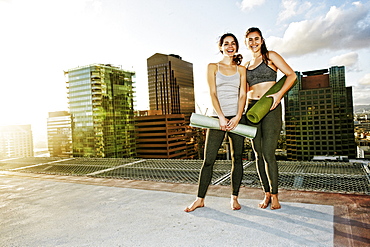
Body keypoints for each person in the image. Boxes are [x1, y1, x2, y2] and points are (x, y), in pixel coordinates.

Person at [184, 33, 247, 212]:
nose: (230, 46)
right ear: (220, 47)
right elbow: (212, 93)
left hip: (237, 118)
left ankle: (234, 198)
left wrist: (237, 116)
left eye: (233, 43)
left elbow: (242, 95)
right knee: (209, 159)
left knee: (237, 158)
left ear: (236, 47)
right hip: (216, 118)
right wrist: (220, 116)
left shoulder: (241, 70)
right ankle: (199, 199)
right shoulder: (212, 67)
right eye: (226, 43)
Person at [244, 27, 296, 210]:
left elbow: (292, 75)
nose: (253, 42)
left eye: (256, 39)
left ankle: (275, 195)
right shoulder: (246, 65)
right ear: (246, 43)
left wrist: (279, 94)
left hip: (271, 107)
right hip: (253, 109)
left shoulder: (270, 56)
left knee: (268, 153)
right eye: (250, 40)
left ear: (262, 40)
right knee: (258, 154)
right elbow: (243, 91)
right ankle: (266, 193)